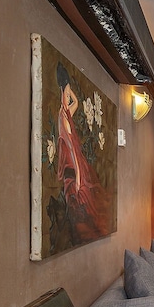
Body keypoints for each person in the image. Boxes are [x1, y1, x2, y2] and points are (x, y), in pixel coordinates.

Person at [55, 62, 110, 241]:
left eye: (68, 94)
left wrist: (67, 88)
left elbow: (77, 102)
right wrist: (78, 175)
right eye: (65, 94)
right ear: (61, 93)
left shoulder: (66, 113)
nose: (68, 98)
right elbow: (70, 148)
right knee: (81, 195)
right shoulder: (63, 117)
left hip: (75, 156)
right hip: (72, 160)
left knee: (89, 195)